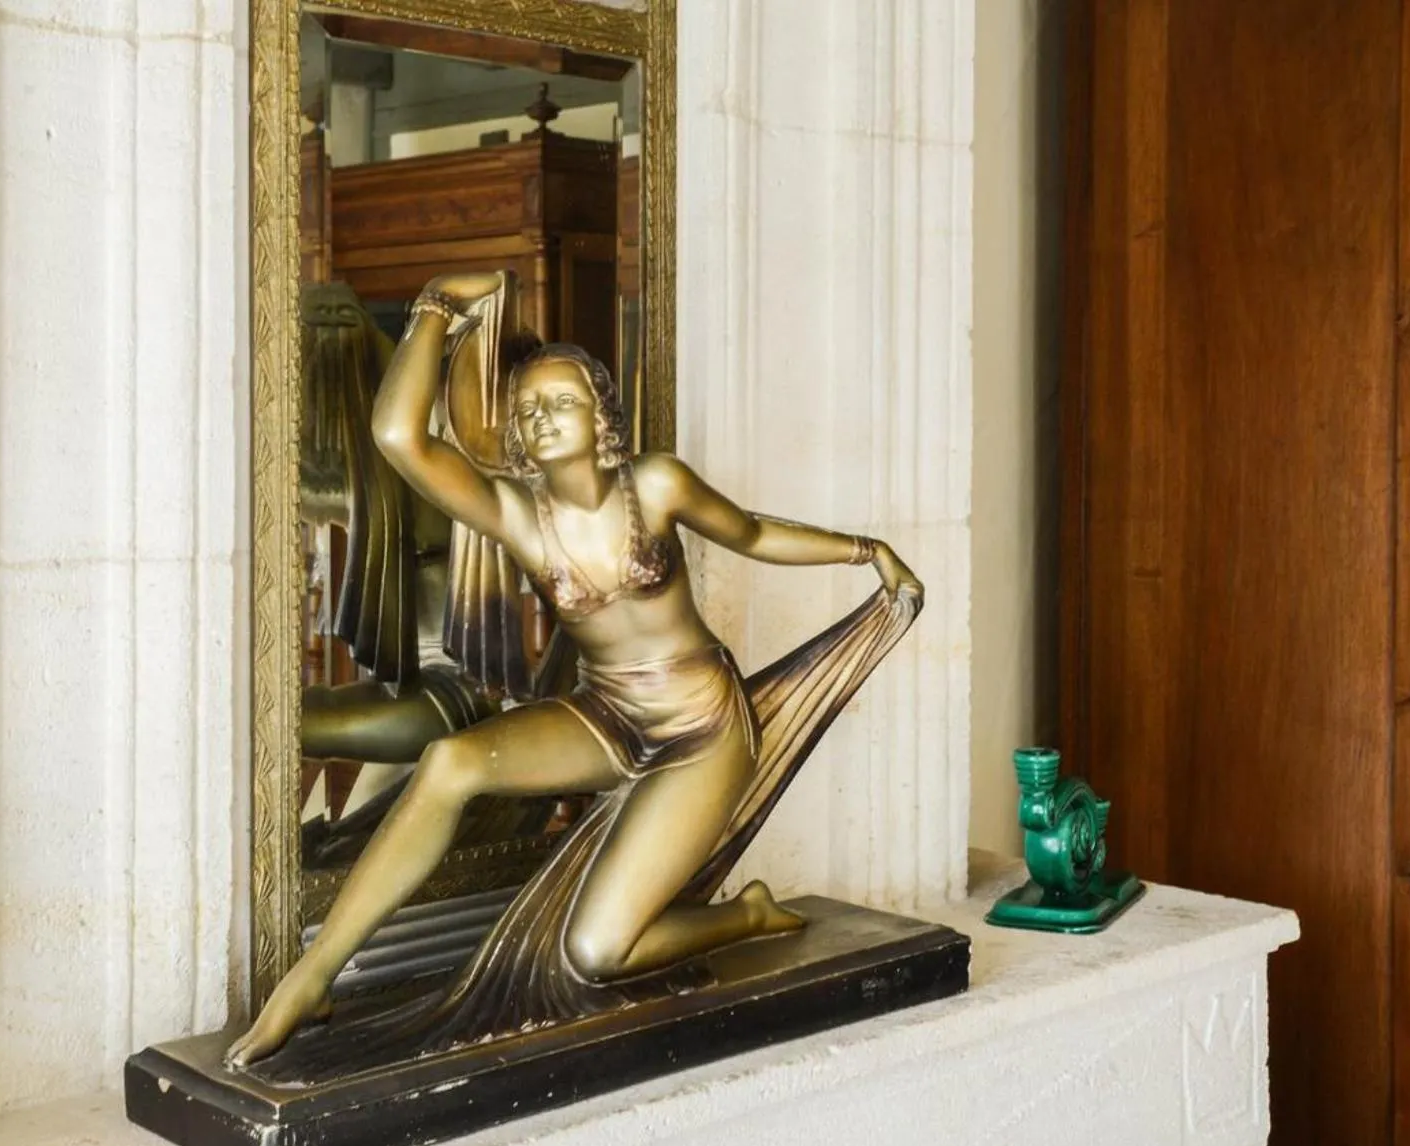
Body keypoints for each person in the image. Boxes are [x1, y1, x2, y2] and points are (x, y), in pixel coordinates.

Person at [229, 271, 922, 1068]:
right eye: (527, 409)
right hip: (608, 713)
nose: (541, 416)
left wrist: (870, 552)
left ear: (601, 416)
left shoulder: (655, 485)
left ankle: (747, 916)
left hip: (702, 730)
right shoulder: (520, 514)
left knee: (596, 952)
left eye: (561, 401)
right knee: (451, 761)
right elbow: (399, 440)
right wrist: (434, 307)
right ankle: (316, 974)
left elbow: (756, 533)